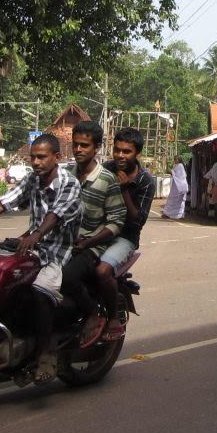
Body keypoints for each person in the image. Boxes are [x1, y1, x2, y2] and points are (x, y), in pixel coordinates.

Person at [0, 133, 81, 384]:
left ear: (57, 157)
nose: (36, 162)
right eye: (33, 157)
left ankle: (45, 353)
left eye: (41, 157)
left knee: (40, 290)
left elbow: (55, 215)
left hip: (57, 251)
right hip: (30, 247)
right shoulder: (33, 180)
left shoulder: (69, 183)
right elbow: (3, 202)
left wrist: (37, 234)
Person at [59, 120, 126, 346]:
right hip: (62, 243)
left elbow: (116, 221)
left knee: (67, 278)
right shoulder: (65, 175)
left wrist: (89, 242)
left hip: (92, 246)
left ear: (96, 148)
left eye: (84, 145)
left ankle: (92, 314)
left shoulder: (107, 180)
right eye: (75, 144)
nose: (78, 150)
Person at [96, 128, 155, 339]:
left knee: (102, 271)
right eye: (117, 150)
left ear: (136, 152)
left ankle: (113, 318)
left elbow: (137, 221)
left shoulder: (145, 181)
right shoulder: (105, 169)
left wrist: (123, 189)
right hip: (97, 230)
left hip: (125, 237)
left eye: (127, 152)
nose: (120, 156)